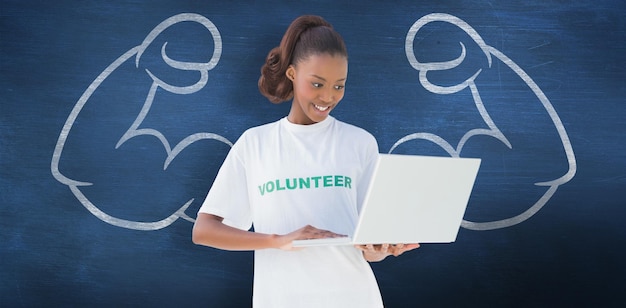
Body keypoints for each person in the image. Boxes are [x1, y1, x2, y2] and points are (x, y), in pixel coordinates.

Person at [192, 15, 420, 307]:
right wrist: (278, 240)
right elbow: (204, 230)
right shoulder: (255, 143)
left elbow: (366, 246)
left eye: (339, 86)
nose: (328, 96)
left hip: (354, 297)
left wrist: (381, 248)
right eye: (317, 84)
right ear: (291, 74)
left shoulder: (360, 143)